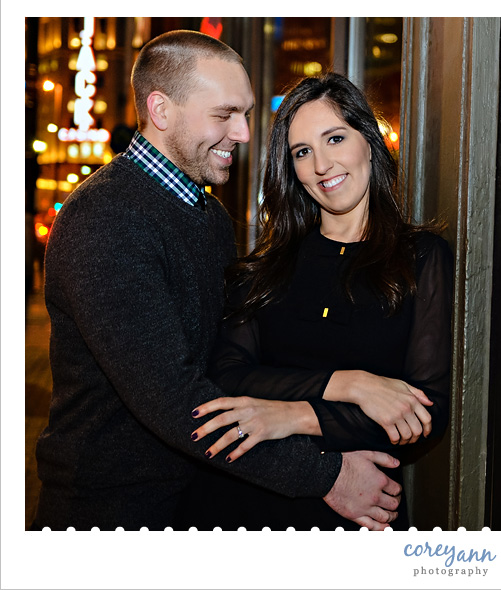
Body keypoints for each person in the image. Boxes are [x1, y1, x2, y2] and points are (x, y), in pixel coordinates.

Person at [31, 30, 402, 531]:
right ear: (161, 111)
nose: (244, 133)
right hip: (113, 513)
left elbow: (226, 367)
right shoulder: (105, 218)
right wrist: (327, 474)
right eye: (224, 114)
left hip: (196, 501)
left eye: (246, 114)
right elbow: (177, 401)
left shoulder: (205, 213)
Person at [174, 72, 453, 531]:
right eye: (303, 152)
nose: (322, 164)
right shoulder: (267, 266)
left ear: (370, 141)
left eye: (335, 138)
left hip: (361, 514)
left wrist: (288, 415)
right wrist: (351, 385)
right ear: (292, 169)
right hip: (244, 508)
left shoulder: (420, 257)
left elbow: (425, 413)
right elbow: (227, 376)